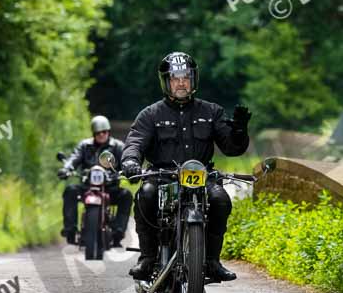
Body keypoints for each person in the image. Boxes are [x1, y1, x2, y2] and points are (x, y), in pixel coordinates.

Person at [121, 52, 251, 281]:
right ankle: (148, 257)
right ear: (166, 82)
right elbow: (135, 142)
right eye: (175, 78)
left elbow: (232, 148)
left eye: (185, 77)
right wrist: (131, 162)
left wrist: (239, 131)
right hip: (163, 176)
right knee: (146, 195)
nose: (181, 83)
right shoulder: (151, 115)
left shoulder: (212, 112)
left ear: (193, 80)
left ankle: (211, 261)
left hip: (202, 176)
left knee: (220, 199)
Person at [58, 115, 131, 246]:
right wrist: (66, 169)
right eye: (98, 132)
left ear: (108, 131)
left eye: (104, 132)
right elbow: (74, 158)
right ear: (93, 133)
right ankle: (70, 229)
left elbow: (126, 160)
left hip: (110, 188)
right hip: (88, 187)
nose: (101, 134)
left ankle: (118, 231)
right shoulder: (85, 145)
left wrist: (130, 169)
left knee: (126, 195)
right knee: (70, 191)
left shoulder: (118, 146)